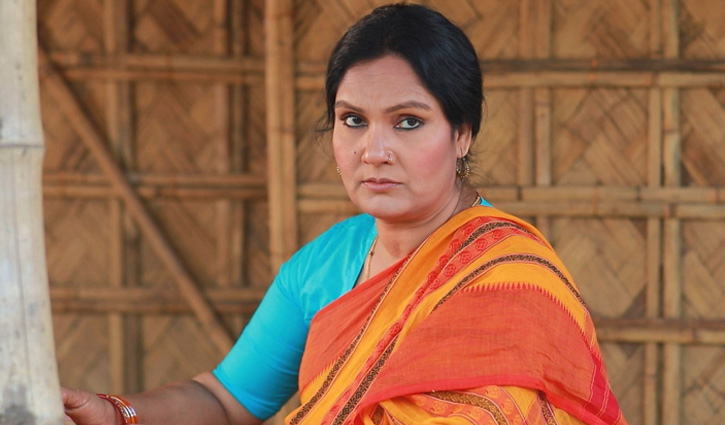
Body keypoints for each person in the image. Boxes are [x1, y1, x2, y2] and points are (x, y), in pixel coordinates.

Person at [62, 4, 628, 425]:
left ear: (461, 134)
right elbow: (226, 399)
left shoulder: (513, 278)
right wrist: (117, 413)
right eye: (353, 120)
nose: (373, 151)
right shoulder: (324, 263)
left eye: (408, 122)